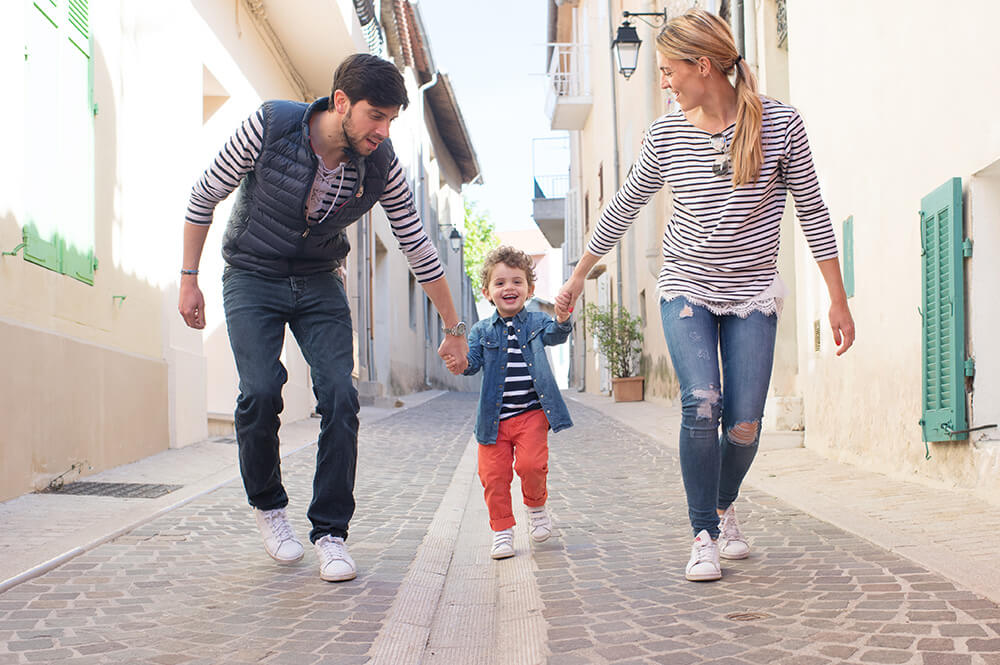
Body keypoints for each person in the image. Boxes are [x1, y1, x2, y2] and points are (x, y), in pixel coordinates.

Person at [557, 9, 854, 582]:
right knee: (703, 402)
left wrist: (837, 299)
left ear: (705, 66)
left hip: (752, 294)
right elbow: (623, 207)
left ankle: (722, 504)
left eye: (669, 70)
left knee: (744, 424)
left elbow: (813, 213)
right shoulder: (666, 132)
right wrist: (577, 275)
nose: (664, 81)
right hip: (687, 287)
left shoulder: (782, 125)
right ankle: (704, 534)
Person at [178, 54, 469, 583]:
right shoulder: (271, 125)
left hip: (318, 281)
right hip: (252, 273)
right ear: (341, 103)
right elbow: (205, 195)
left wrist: (453, 330)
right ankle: (269, 508)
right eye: (374, 116)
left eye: (391, 120)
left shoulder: (382, 166)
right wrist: (188, 277)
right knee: (261, 391)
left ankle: (331, 534)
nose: (382, 131)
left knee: (340, 392)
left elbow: (418, 247)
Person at [444, 246, 573, 559]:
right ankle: (502, 531)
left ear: (529, 289)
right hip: (493, 420)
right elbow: (472, 362)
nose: (509, 288)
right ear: (487, 292)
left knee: (531, 465)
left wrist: (562, 317)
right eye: (500, 283)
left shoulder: (537, 323)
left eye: (517, 281)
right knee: (494, 478)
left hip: (531, 414)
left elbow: (556, 335)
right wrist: (458, 362)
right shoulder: (481, 330)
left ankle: (536, 506)